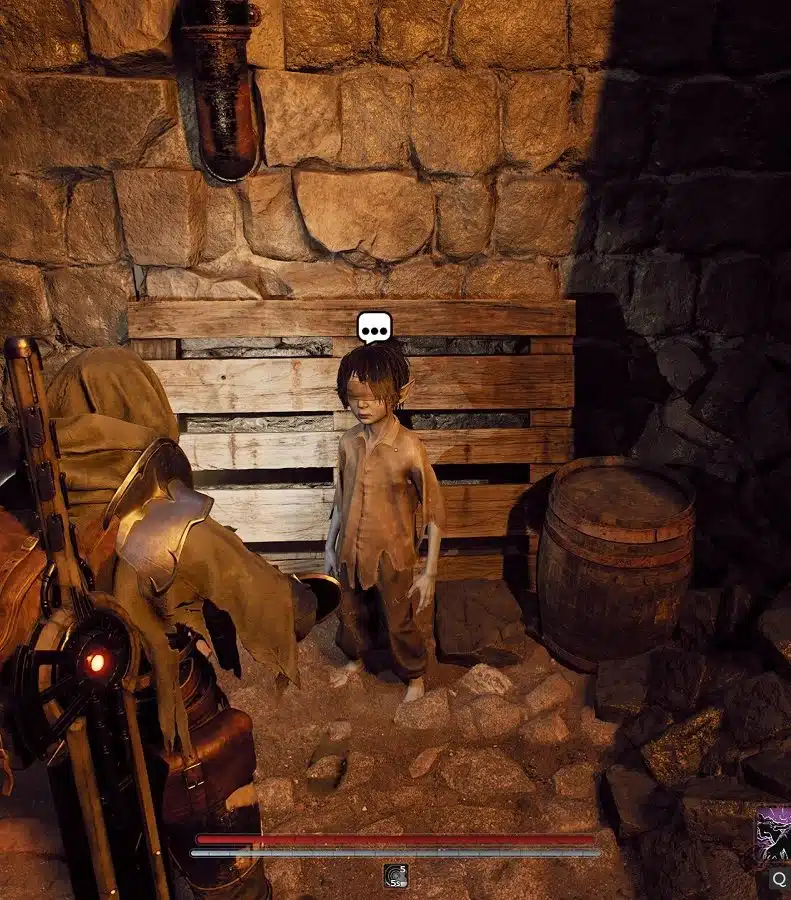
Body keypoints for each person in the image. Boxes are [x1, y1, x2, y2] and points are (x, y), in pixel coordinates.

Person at [324, 339, 446, 703]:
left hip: (393, 553)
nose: (362, 405)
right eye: (354, 396)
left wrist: (430, 572)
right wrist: (329, 545)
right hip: (350, 549)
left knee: (398, 617)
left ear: (399, 393)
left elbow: (435, 510)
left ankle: (414, 675)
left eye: (374, 397)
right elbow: (341, 497)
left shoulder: (409, 447)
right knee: (350, 610)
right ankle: (355, 659)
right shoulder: (348, 443)